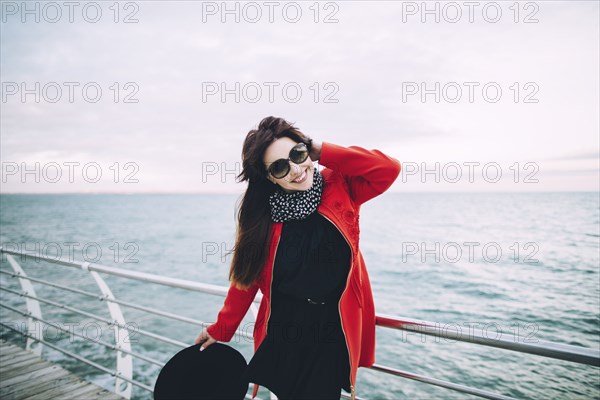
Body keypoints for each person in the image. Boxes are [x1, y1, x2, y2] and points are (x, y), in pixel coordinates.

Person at [194, 116, 401, 399]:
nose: (295, 170)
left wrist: (322, 150)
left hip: (331, 329)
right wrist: (222, 328)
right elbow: (246, 278)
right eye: (279, 167)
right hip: (284, 333)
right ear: (269, 177)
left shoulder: (341, 186)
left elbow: (387, 168)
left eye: (297, 154)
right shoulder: (261, 218)